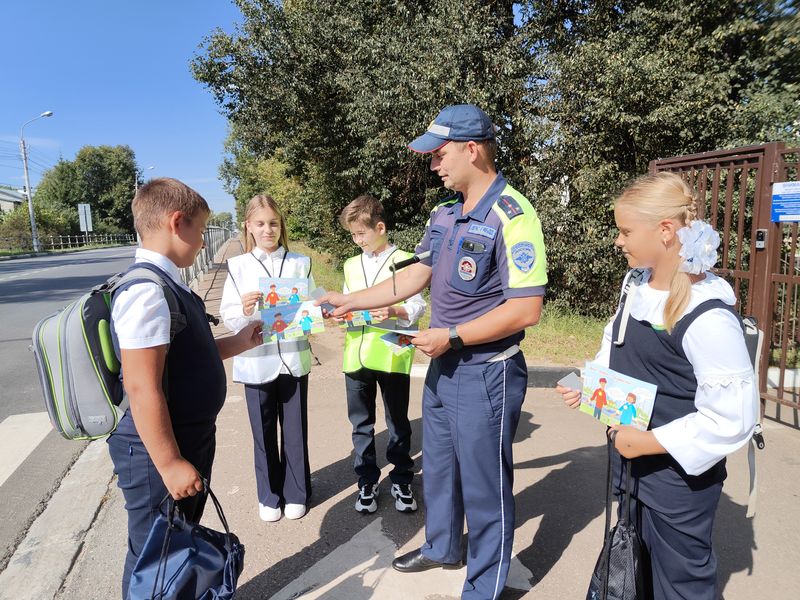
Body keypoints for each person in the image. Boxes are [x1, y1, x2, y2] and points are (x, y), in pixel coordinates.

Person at [319, 104, 547, 599]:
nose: (433, 165)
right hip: (444, 367)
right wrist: (348, 300)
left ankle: (485, 583)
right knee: (440, 467)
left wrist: (456, 335)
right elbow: (415, 274)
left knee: (486, 484)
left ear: (472, 149)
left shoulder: (514, 214)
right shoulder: (444, 214)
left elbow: (527, 309)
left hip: (487, 369)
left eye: (439, 154)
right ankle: (443, 546)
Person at [556, 172, 758, 599]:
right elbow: (617, 349)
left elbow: (732, 418)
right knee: (636, 566)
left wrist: (646, 443)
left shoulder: (708, 315)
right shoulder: (636, 286)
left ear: (665, 231)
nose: (618, 241)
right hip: (632, 466)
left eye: (626, 231)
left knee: (681, 583)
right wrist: (590, 384)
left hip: (677, 483)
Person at [107, 178, 262, 598]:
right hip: (158, 451)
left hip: (184, 439)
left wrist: (241, 341)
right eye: (200, 231)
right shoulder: (146, 292)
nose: (200, 243)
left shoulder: (166, 283)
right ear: (178, 223)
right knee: (152, 559)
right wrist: (171, 462)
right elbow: (142, 387)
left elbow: (186, 354)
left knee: (176, 547)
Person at [220, 194, 316, 522]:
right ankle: (269, 495)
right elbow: (229, 315)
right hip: (256, 360)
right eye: (260, 224)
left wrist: (318, 312)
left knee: (295, 429)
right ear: (248, 226)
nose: (267, 230)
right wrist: (244, 311)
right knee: (262, 432)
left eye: (273, 223)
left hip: (294, 358)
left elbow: (313, 304)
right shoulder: (237, 266)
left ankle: (297, 492)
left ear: (281, 225)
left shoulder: (300, 262)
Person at [338, 194, 426, 514]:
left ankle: (401, 477)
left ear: (380, 227)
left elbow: (417, 307)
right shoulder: (350, 264)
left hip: (392, 349)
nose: (357, 240)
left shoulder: (406, 259)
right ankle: (366, 480)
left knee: (397, 420)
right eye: (352, 235)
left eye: (361, 233)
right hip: (356, 354)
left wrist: (393, 308)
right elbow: (347, 304)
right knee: (361, 424)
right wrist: (339, 314)